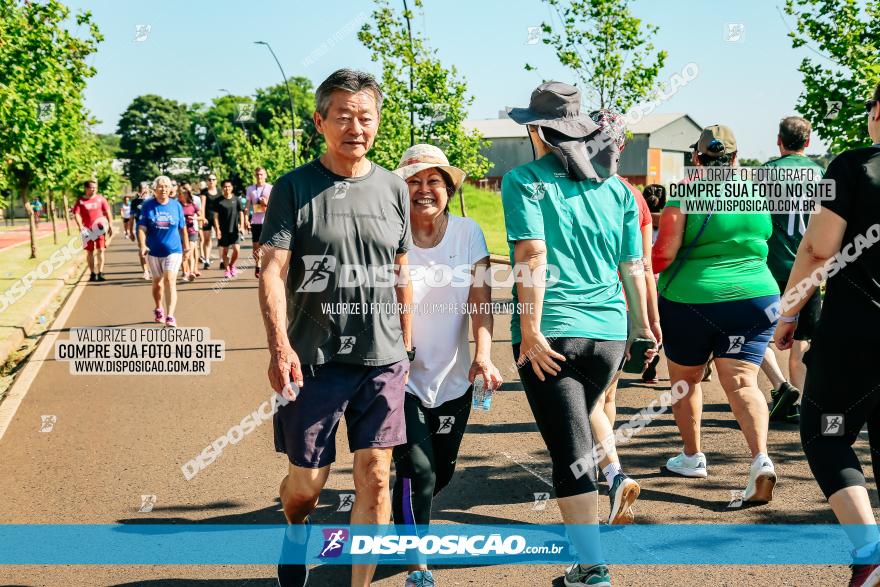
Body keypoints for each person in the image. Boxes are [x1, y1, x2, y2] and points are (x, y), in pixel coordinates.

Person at [258, 68, 413, 587]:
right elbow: (273, 270)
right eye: (343, 116)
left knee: (375, 478)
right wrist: (280, 347)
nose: (355, 127)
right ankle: (296, 529)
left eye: (365, 117)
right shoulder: (294, 187)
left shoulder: (394, 187)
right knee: (307, 485)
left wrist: (406, 344)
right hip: (314, 360)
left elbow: (400, 269)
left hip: (382, 357)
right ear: (320, 122)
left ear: (377, 123)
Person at [503, 82, 655, 587]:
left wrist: (529, 330)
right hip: (609, 335)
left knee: (570, 452)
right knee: (584, 427)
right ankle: (587, 558)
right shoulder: (617, 190)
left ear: (535, 130)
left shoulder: (523, 180)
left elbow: (532, 256)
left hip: (554, 334)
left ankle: (591, 568)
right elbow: (634, 266)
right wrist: (642, 329)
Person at [775, 84, 880, 587]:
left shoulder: (852, 166)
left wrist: (789, 315)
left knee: (825, 432)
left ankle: (870, 552)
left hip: (856, 333)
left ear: (876, 112)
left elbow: (817, 251)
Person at [391, 144, 503, 587]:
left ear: (448, 187)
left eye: (433, 180)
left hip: (455, 378)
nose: (423, 190)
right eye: (413, 181)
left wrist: (483, 356)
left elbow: (481, 301)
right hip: (401, 377)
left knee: (441, 472)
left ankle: (400, 511)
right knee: (417, 469)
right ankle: (417, 564)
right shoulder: (389, 235)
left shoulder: (468, 233)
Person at [652, 124, 779, 503]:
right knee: (743, 382)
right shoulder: (757, 192)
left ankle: (692, 457)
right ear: (736, 158)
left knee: (686, 381)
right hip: (757, 296)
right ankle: (761, 459)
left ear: (696, 157)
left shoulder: (685, 194)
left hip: (692, 299)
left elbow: (663, 255)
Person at [584, 108, 661, 525]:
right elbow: (642, 266)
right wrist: (648, 321)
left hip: (585, 306)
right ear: (622, 146)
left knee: (591, 399)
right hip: (621, 308)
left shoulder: (573, 186)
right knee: (608, 396)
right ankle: (604, 463)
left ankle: (612, 472)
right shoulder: (632, 195)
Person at [760, 116, 825, 424]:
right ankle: (800, 403)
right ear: (808, 142)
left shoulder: (765, 173)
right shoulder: (821, 173)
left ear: (779, 140)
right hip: (809, 268)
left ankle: (781, 388)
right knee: (803, 339)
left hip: (770, 266)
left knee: (756, 333)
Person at [137, 176, 188, 327]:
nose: (164, 189)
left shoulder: (176, 205)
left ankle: (170, 316)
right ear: (154, 189)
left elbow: (182, 228)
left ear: (170, 189)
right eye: (160, 186)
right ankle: (159, 307)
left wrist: (187, 248)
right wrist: (142, 245)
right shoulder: (148, 206)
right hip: (153, 251)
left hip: (173, 249)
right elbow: (141, 228)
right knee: (157, 282)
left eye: (166, 186)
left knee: (170, 279)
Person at [72, 180, 113, 282]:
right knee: (90, 252)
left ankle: (100, 272)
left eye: (95, 187)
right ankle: (92, 273)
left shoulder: (101, 199)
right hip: (87, 230)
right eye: (91, 187)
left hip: (99, 229)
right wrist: (80, 225)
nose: (94, 189)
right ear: (86, 188)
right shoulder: (81, 200)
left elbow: (108, 212)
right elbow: (76, 213)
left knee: (101, 250)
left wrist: (110, 225)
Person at [245, 167, 273, 278]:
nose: (259, 177)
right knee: (256, 247)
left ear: (265, 175)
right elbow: (247, 206)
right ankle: (258, 265)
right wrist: (246, 219)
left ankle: (265, 266)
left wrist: (266, 202)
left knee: (266, 246)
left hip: (268, 221)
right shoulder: (250, 189)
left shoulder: (271, 188)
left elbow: (276, 205)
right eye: (257, 174)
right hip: (255, 222)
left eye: (261, 174)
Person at [214, 179, 244, 278]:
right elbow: (215, 216)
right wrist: (217, 229)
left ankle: (231, 265)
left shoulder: (236, 199)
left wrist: (242, 226)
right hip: (224, 230)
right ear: (222, 188)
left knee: (236, 250)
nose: (227, 188)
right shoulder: (218, 201)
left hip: (234, 229)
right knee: (225, 251)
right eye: (225, 187)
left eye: (229, 186)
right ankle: (227, 270)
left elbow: (241, 213)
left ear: (231, 188)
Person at [130, 182, 152, 278]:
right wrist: (130, 231)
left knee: (153, 249)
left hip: (152, 227)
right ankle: (146, 271)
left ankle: (154, 269)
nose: (144, 190)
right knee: (142, 249)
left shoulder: (153, 200)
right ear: (139, 190)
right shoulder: (135, 202)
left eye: (145, 188)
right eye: (142, 188)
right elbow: (131, 217)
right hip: (140, 228)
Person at [199, 174, 221, 270]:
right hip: (207, 217)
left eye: (213, 179)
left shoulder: (220, 192)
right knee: (207, 239)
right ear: (207, 181)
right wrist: (203, 217)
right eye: (209, 179)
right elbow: (202, 205)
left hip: (218, 217)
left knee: (220, 238)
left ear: (216, 181)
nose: (211, 181)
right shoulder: (204, 192)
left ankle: (222, 260)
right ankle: (207, 260)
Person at [177, 187, 199, 281]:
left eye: (181, 194)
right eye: (179, 194)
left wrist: (194, 218)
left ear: (185, 195)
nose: (179, 196)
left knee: (189, 252)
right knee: (184, 253)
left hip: (192, 231)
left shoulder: (193, 205)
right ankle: (185, 272)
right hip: (181, 232)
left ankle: (191, 272)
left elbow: (201, 216)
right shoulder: (177, 205)